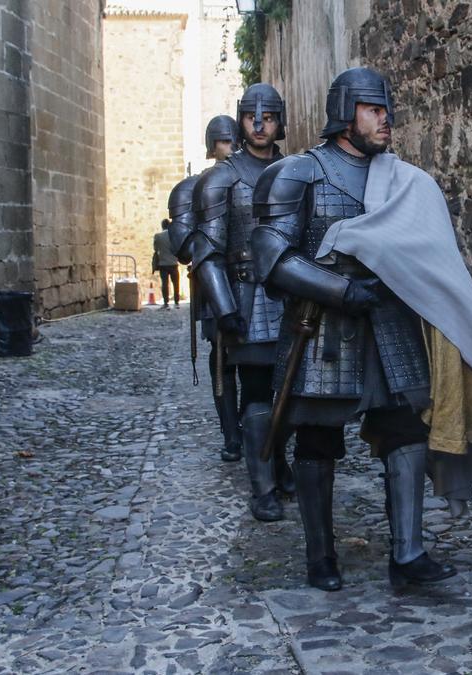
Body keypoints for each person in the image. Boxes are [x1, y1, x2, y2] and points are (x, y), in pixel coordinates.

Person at [252, 66, 472, 593]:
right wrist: (344, 291)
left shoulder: (402, 179)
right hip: (324, 327)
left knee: (407, 430)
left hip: (391, 322)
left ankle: (408, 552)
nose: (386, 119)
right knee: (318, 441)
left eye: (386, 110)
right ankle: (321, 555)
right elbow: (272, 258)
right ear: (345, 114)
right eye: (374, 110)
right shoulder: (299, 173)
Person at [191, 86, 294, 522]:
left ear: (278, 121)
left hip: (293, 296)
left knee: (291, 395)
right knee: (255, 396)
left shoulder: (296, 171)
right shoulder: (222, 178)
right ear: (240, 120)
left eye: (267, 116)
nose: (258, 123)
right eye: (251, 116)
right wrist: (224, 305)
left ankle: (280, 459)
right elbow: (206, 252)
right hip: (246, 296)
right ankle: (263, 487)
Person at [167, 114, 242, 462]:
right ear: (213, 145)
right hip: (215, 286)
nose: (231, 147)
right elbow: (182, 245)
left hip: (254, 281)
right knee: (223, 361)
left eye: (233, 140)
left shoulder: (256, 177)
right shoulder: (193, 187)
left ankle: (255, 427)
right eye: (224, 141)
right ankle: (231, 433)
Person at [153, 219, 180, 308]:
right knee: (176, 283)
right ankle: (176, 302)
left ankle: (166, 302)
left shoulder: (158, 236)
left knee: (165, 283)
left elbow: (155, 249)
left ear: (162, 226)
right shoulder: (174, 236)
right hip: (173, 263)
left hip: (163, 263)